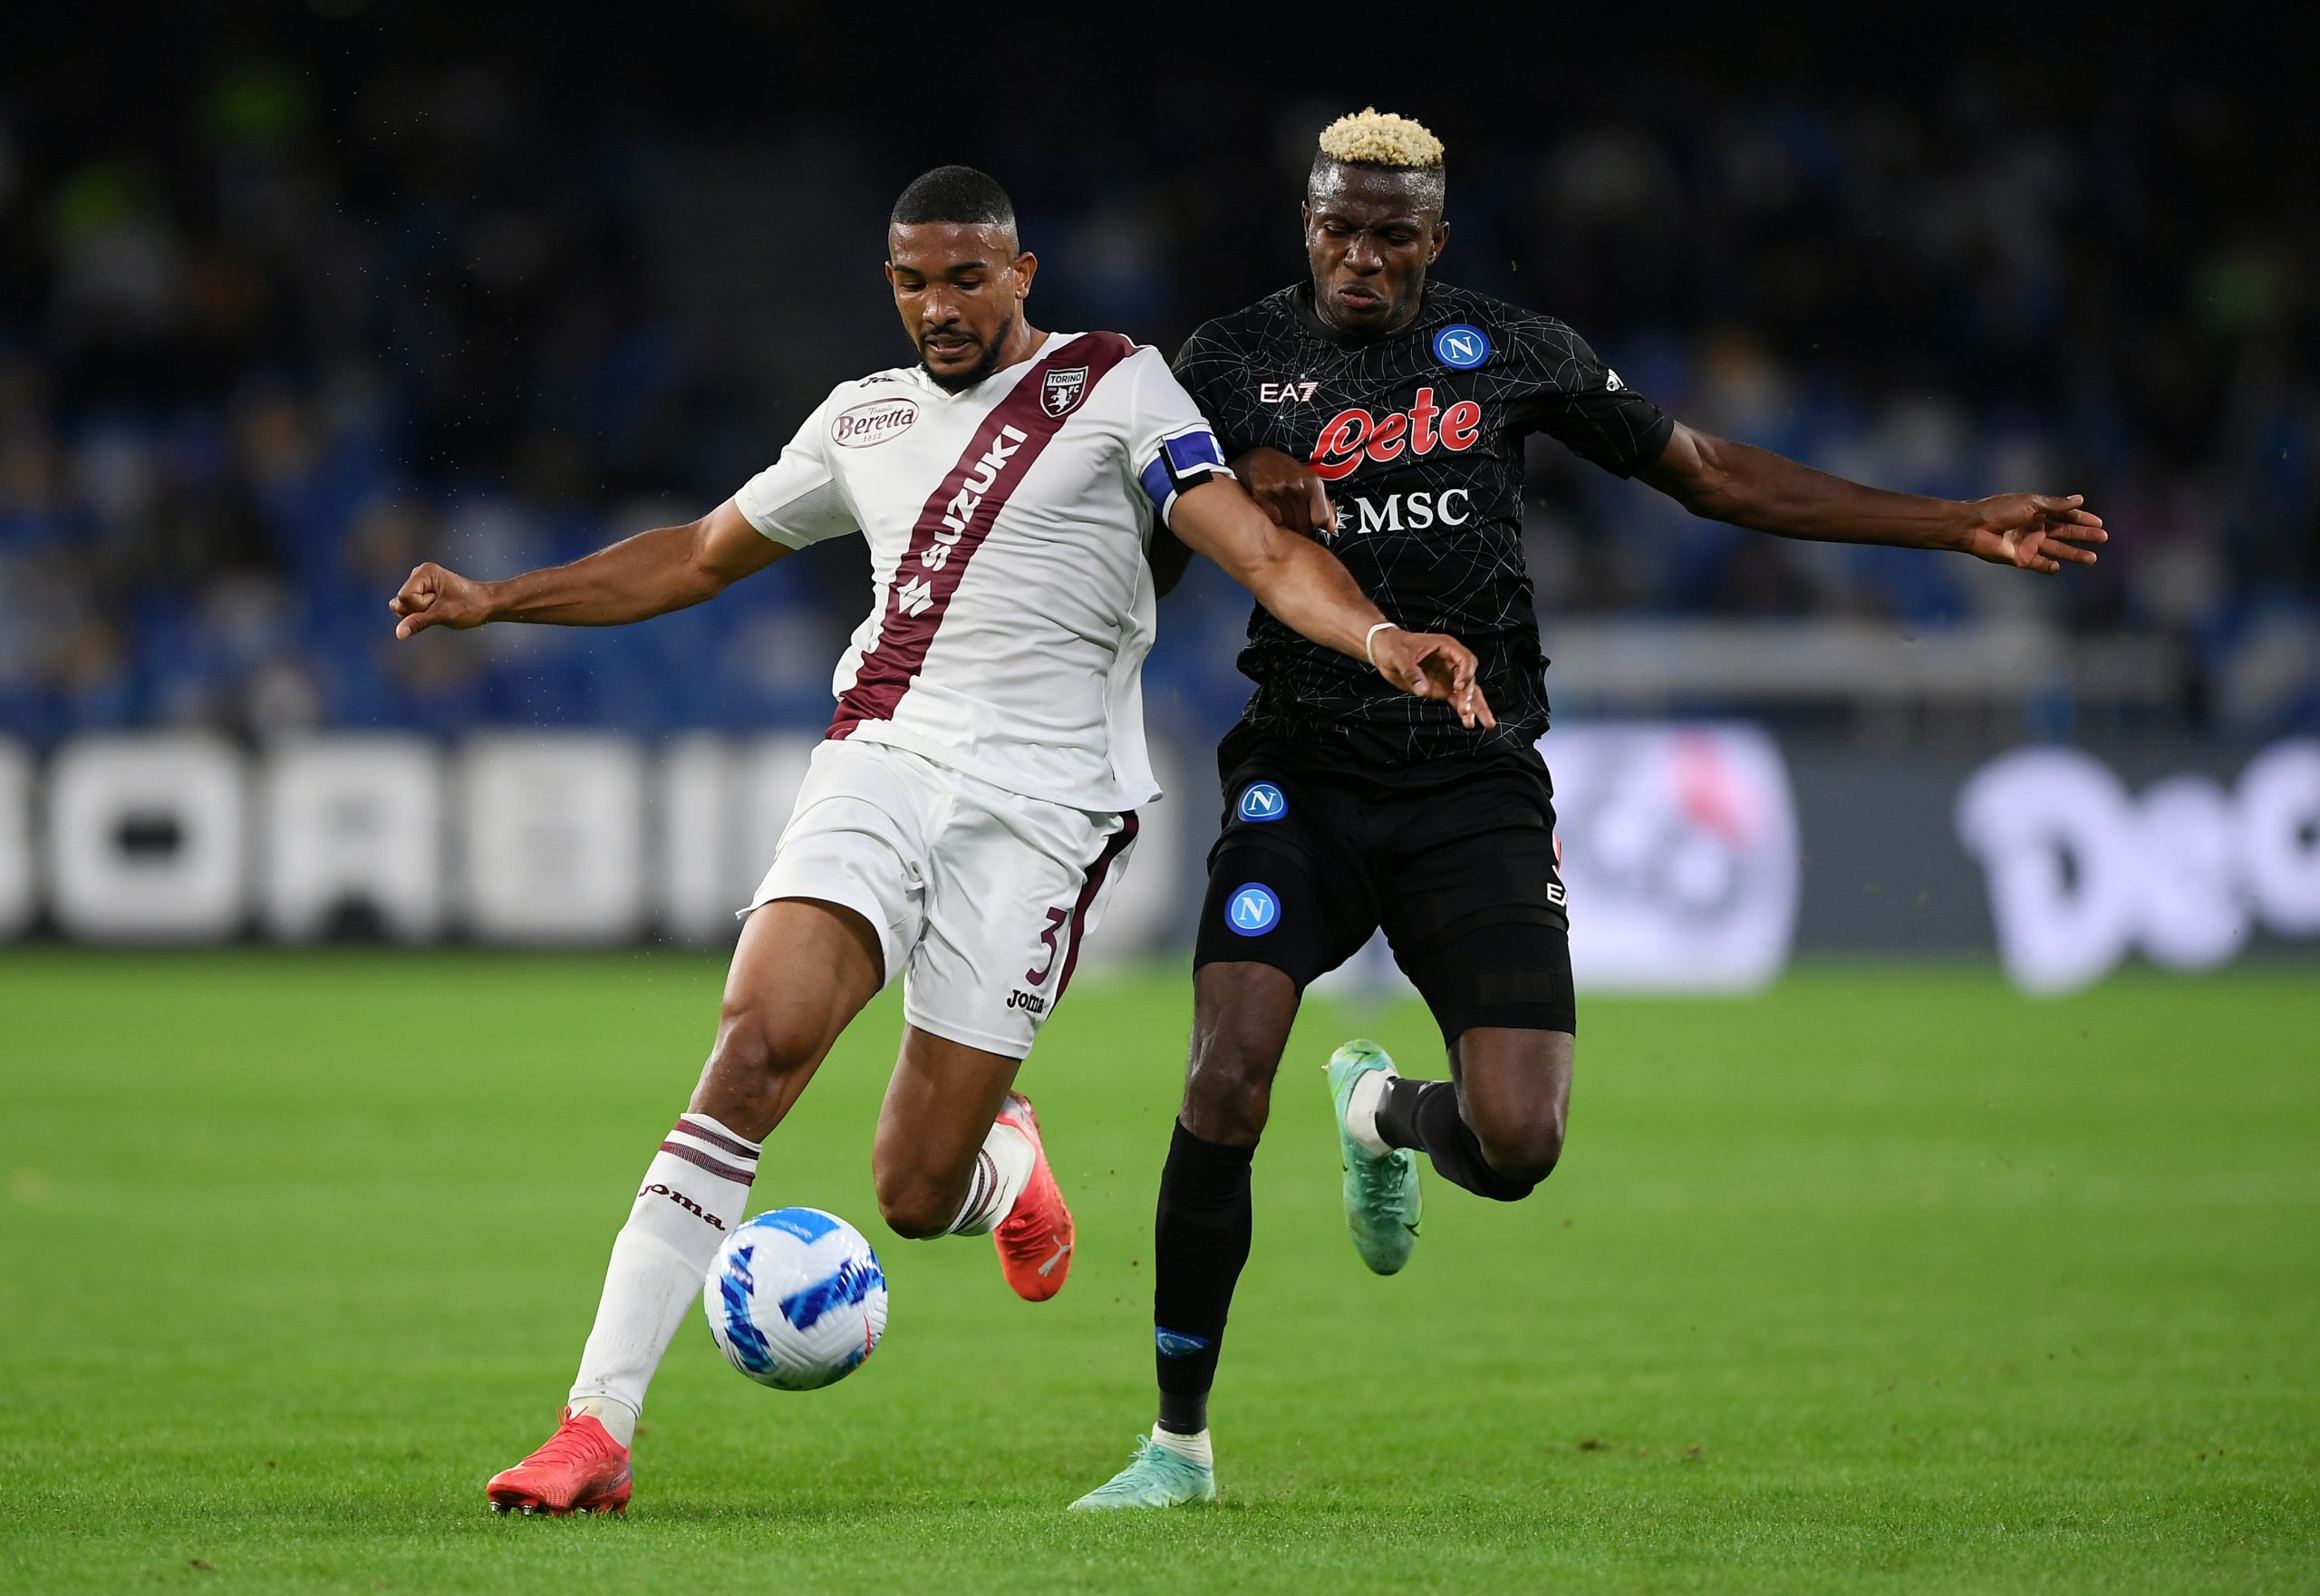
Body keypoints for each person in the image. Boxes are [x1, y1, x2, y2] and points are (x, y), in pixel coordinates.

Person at [387, 164, 1490, 1517]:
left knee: (913, 1188)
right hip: (882, 760)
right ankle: (594, 1426)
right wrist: (498, 597)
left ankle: (1004, 1166)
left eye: (969, 278)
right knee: (757, 1044)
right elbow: (696, 554)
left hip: (1046, 812)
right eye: (915, 282)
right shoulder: (863, 416)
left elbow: (1255, 552)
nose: (941, 306)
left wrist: (1378, 636)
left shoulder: (1117, 384)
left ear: (1021, 274)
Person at [1070, 109, 2107, 1510]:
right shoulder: (1225, 363)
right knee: (1222, 1069)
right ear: (1305, 225)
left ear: (1436, 239)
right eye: (1339, 228)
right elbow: (1149, 559)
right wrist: (1225, 494)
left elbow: (1708, 473)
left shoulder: (1511, 350)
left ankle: (1380, 1112)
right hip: (1300, 771)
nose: (1361, 256)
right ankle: (1177, 1443)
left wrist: (1951, 521)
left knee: (1520, 1140)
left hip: (1474, 776)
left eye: (1392, 234)